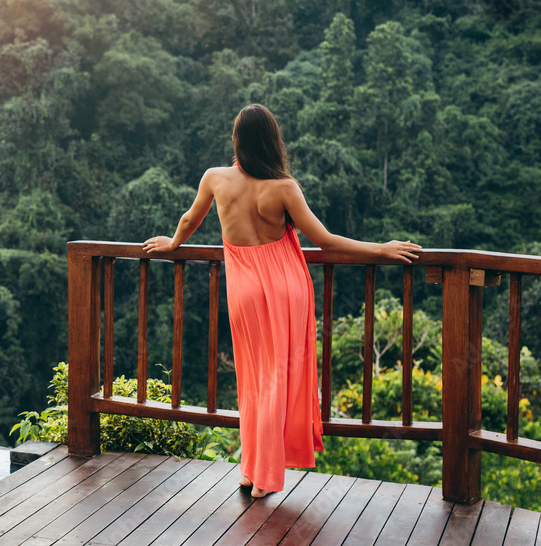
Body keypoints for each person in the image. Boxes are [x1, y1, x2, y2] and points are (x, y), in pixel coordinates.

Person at [142, 104, 421, 498]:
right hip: (286, 287)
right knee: (277, 380)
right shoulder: (283, 187)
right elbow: (324, 241)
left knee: (253, 380)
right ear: (272, 142)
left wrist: (172, 244)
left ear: (237, 140)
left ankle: (250, 469)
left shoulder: (215, 179)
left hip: (244, 291)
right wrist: (381, 249)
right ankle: (266, 477)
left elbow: (190, 220)